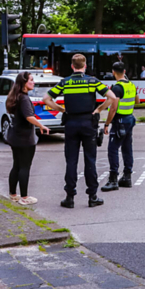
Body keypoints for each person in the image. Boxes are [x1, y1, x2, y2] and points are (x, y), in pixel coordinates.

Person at [44, 54, 111, 208]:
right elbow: (112, 98)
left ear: (72, 66)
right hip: (88, 123)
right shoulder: (92, 81)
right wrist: (98, 109)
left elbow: (46, 99)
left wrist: (62, 109)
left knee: (71, 161)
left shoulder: (65, 82)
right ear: (85, 66)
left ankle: (70, 197)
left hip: (71, 123)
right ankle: (92, 196)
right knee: (90, 160)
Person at [4, 71, 50, 206]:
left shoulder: (15, 96)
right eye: (31, 80)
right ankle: (24, 197)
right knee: (25, 167)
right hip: (25, 138)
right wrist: (41, 125)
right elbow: (29, 117)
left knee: (16, 165)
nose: (33, 82)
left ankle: (13, 194)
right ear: (24, 82)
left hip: (15, 136)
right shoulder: (24, 99)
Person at [101, 61, 138, 192]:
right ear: (125, 72)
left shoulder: (117, 88)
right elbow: (138, 100)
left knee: (113, 149)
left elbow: (113, 108)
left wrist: (107, 123)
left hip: (119, 121)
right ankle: (127, 177)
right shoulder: (131, 85)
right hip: (130, 119)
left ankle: (113, 180)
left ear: (113, 72)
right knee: (127, 148)